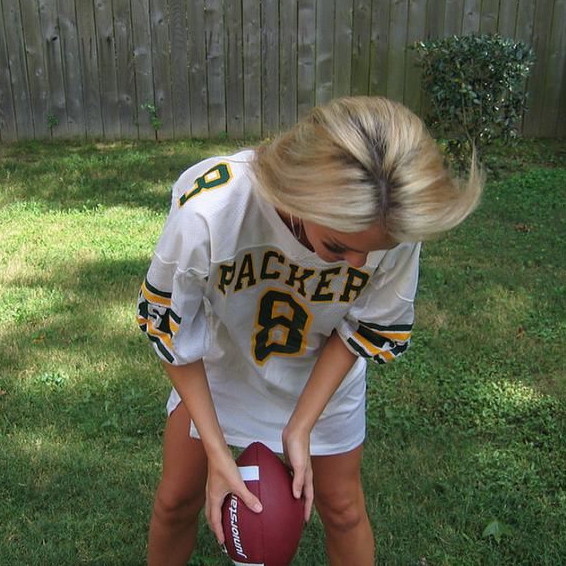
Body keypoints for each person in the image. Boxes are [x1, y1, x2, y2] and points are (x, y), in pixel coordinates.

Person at [138, 96, 483, 565]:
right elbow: (172, 329)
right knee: (176, 499)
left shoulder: (393, 220)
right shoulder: (212, 207)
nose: (358, 264)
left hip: (321, 372)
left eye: (373, 250)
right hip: (224, 364)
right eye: (338, 246)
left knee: (343, 510)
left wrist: (301, 426)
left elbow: (364, 326)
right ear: (298, 197)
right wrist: (217, 451)